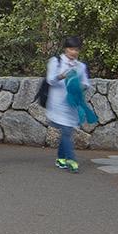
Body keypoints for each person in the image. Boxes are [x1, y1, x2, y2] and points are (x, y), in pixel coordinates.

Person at [45, 36, 99, 173]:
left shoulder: (80, 66)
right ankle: (71, 160)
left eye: (76, 49)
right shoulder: (55, 62)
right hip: (57, 104)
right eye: (71, 49)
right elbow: (50, 80)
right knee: (67, 131)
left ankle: (60, 158)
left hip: (72, 104)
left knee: (67, 130)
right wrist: (61, 76)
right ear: (65, 49)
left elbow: (86, 83)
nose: (73, 52)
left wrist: (78, 85)